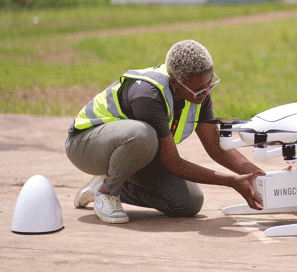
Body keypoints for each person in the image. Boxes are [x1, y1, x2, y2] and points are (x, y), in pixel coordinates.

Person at [65, 40, 265, 224]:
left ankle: (104, 184)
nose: (205, 92)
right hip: (85, 146)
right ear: (175, 83)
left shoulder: (199, 94)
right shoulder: (147, 95)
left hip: (128, 152)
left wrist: (259, 177)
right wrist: (231, 181)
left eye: (209, 83)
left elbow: (216, 147)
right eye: (199, 88)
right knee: (142, 135)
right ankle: (107, 193)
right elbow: (172, 162)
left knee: (189, 202)